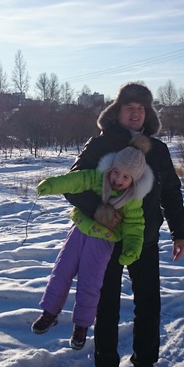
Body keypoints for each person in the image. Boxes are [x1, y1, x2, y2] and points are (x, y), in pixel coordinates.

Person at [65, 82, 184, 367]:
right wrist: (98, 211)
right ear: (117, 111)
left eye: (141, 108)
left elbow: (170, 192)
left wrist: (179, 232)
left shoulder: (157, 149)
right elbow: (72, 186)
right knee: (106, 309)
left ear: (148, 114)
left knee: (149, 304)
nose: (136, 113)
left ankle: (145, 366)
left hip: (145, 240)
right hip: (105, 242)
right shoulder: (100, 145)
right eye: (129, 107)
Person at [31, 136, 154, 350]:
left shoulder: (132, 201)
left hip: (102, 242)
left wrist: (132, 249)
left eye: (125, 177)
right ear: (111, 168)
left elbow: (135, 226)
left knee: (90, 283)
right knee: (61, 271)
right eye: (116, 172)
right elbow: (75, 180)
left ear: (133, 181)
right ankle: (49, 313)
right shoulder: (98, 178)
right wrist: (51, 185)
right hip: (79, 230)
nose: (118, 179)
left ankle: (81, 325)